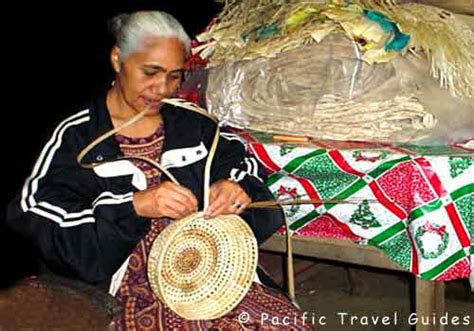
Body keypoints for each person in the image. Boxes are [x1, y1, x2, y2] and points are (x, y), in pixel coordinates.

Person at [6, 10, 312, 330]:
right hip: (122, 289)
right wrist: (136, 206)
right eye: (150, 72)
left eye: (174, 75)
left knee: (282, 324)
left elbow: (245, 167)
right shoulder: (76, 135)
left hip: (210, 273)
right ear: (117, 59)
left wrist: (237, 189)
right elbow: (35, 215)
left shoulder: (194, 125)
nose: (162, 88)